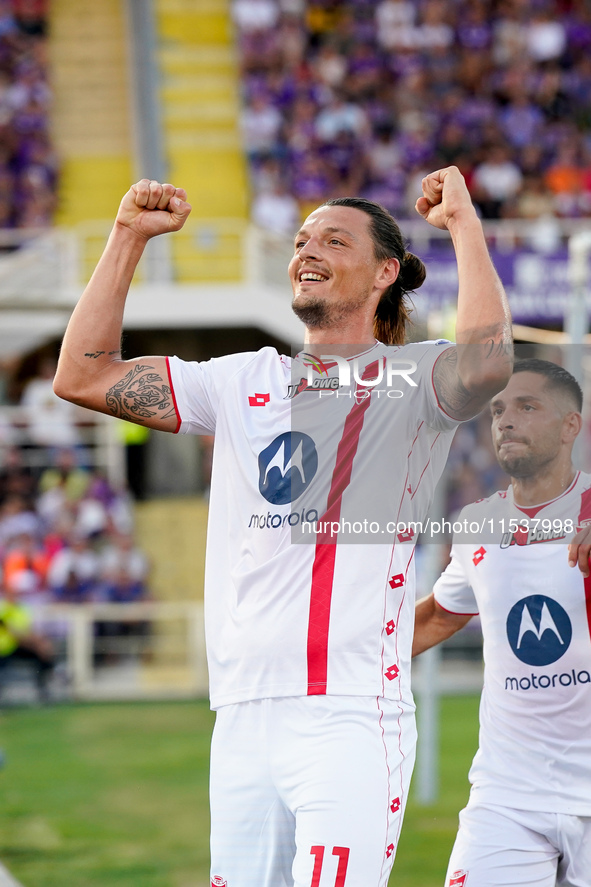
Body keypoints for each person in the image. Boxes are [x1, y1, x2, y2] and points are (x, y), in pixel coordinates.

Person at [53, 167, 512, 886]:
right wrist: (125, 237)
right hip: (239, 714)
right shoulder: (241, 380)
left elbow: (486, 362)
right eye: (301, 239)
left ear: (384, 272)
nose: (308, 248)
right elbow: (82, 375)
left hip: (349, 714)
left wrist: (462, 225)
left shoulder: (409, 380)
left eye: (333, 239)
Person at [413, 358, 591, 887]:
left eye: (526, 407)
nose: (505, 421)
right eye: (497, 411)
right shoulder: (477, 524)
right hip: (507, 797)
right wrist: (327, 654)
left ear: (570, 426)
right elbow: (439, 618)